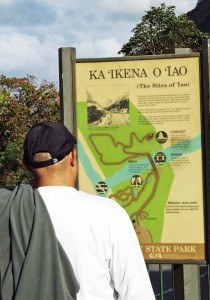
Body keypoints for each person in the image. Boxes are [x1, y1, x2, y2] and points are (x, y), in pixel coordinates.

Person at [22, 121, 155, 300]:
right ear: (73, 157)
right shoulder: (109, 214)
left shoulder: (11, 211)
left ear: (25, 163)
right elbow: (137, 293)